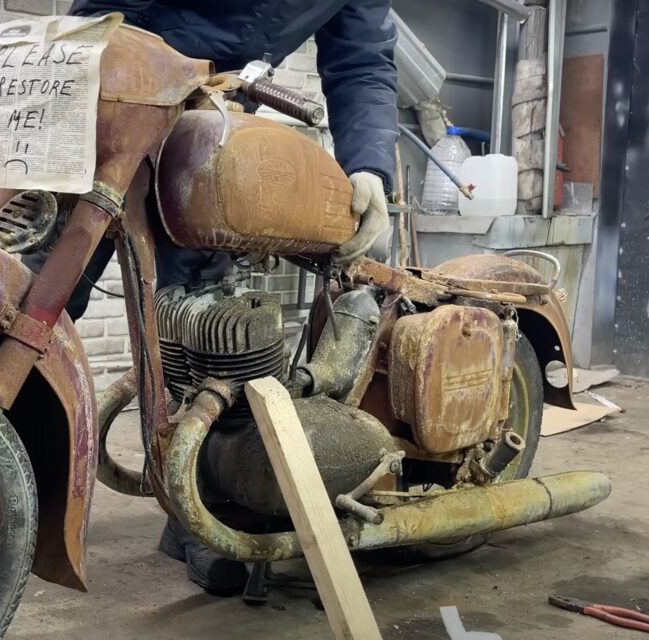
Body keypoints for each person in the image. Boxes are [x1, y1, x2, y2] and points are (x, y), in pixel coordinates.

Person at [45, 0, 400, 596]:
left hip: (209, 122)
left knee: (200, 313)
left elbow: (362, 59)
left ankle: (195, 508)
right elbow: (100, 14)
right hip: (109, 101)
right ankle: (1, 489)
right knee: (41, 303)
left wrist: (368, 166)